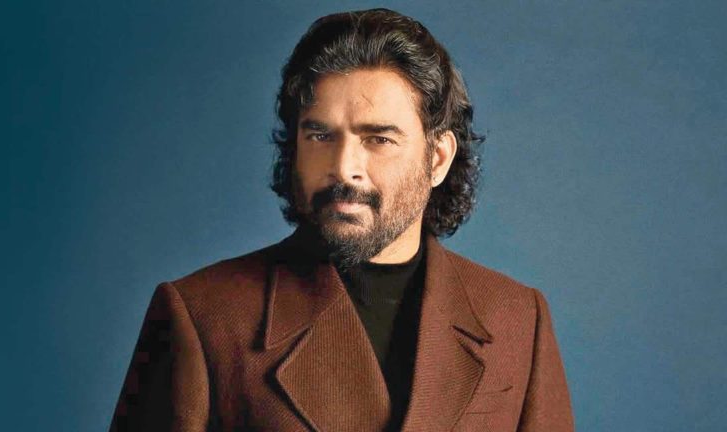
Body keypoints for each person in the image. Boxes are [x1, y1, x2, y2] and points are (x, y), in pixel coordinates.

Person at [109, 8, 574, 432]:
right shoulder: (201, 315)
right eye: (320, 135)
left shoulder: (518, 318)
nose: (343, 167)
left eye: (378, 139)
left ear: (437, 159)